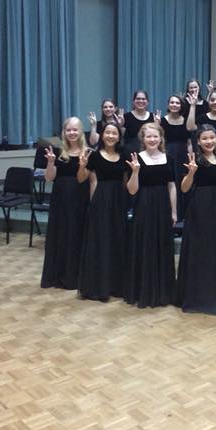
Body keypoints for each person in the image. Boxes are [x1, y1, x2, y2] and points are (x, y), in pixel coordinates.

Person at [76, 123, 131, 302]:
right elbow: (81, 178)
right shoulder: (95, 156)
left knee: (117, 240)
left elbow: (126, 180)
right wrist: (81, 166)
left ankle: (117, 285)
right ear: (102, 135)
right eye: (107, 132)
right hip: (101, 200)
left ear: (119, 137)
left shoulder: (124, 155)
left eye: (114, 133)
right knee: (101, 241)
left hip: (119, 201)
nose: (110, 136)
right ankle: (99, 285)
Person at [180, 126, 216, 315]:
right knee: (199, 250)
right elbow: (184, 189)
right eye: (205, 138)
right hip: (199, 209)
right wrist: (192, 173)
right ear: (199, 142)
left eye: (212, 137)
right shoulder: (194, 161)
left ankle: (214, 294)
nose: (209, 141)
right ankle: (197, 297)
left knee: (215, 250)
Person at [125, 124, 178, 308]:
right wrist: (135, 172)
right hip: (144, 206)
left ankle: (164, 292)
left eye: (156, 136)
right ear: (143, 139)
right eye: (149, 137)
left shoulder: (169, 159)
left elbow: (172, 186)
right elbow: (132, 190)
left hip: (163, 206)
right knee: (145, 245)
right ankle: (144, 291)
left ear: (161, 138)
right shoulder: (136, 159)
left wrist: (173, 211)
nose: (153, 140)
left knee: (162, 245)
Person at [40, 118, 89, 291]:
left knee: (76, 235)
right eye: (69, 130)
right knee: (59, 235)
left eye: (75, 130)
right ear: (64, 132)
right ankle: (56, 276)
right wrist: (51, 162)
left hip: (80, 199)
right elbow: (49, 178)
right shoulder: (58, 151)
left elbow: (87, 179)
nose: (72, 133)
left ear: (81, 131)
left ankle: (74, 278)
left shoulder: (88, 152)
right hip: (60, 199)